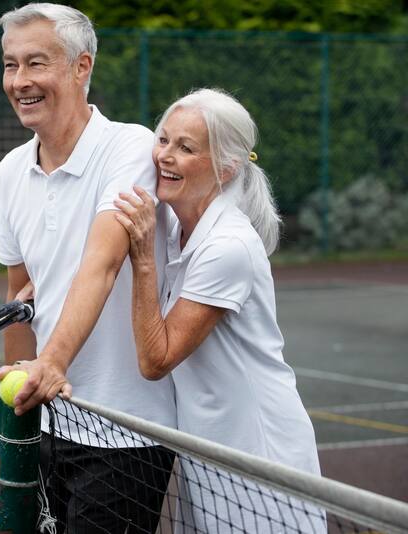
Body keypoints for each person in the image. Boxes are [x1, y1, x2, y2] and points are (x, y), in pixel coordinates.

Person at [0, 3, 177, 533]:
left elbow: (103, 262)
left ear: (81, 67)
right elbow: (17, 307)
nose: (20, 81)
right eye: (10, 65)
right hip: (46, 427)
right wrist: (10, 432)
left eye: (36, 63)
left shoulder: (130, 147)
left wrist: (52, 364)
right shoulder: (8, 174)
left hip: (126, 434)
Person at [114, 88, 323, 532]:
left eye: (185, 148)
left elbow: (156, 359)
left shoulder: (228, 246)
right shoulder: (174, 223)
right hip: (206, 449)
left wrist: (143, 261)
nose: (164, 157)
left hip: (258, 453)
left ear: (227, 169)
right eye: (164, 140)